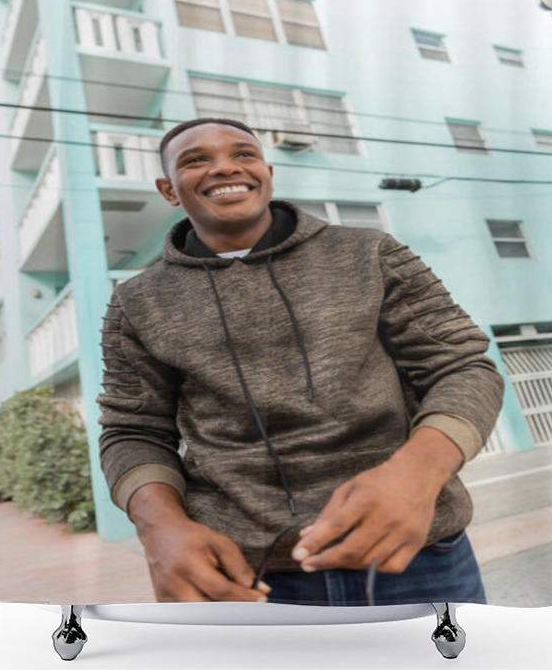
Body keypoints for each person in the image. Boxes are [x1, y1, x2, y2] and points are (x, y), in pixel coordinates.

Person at [97, 117, 504, 606]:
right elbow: (134, 431)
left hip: (417, 552)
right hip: (245, 574)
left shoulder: (370, 252)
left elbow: (462, 367)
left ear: (267, 172)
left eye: (243, 154)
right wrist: (159, 529)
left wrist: (417, 474)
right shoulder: (137, 301)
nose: (224, 166)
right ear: (167, 189)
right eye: (195, 159)